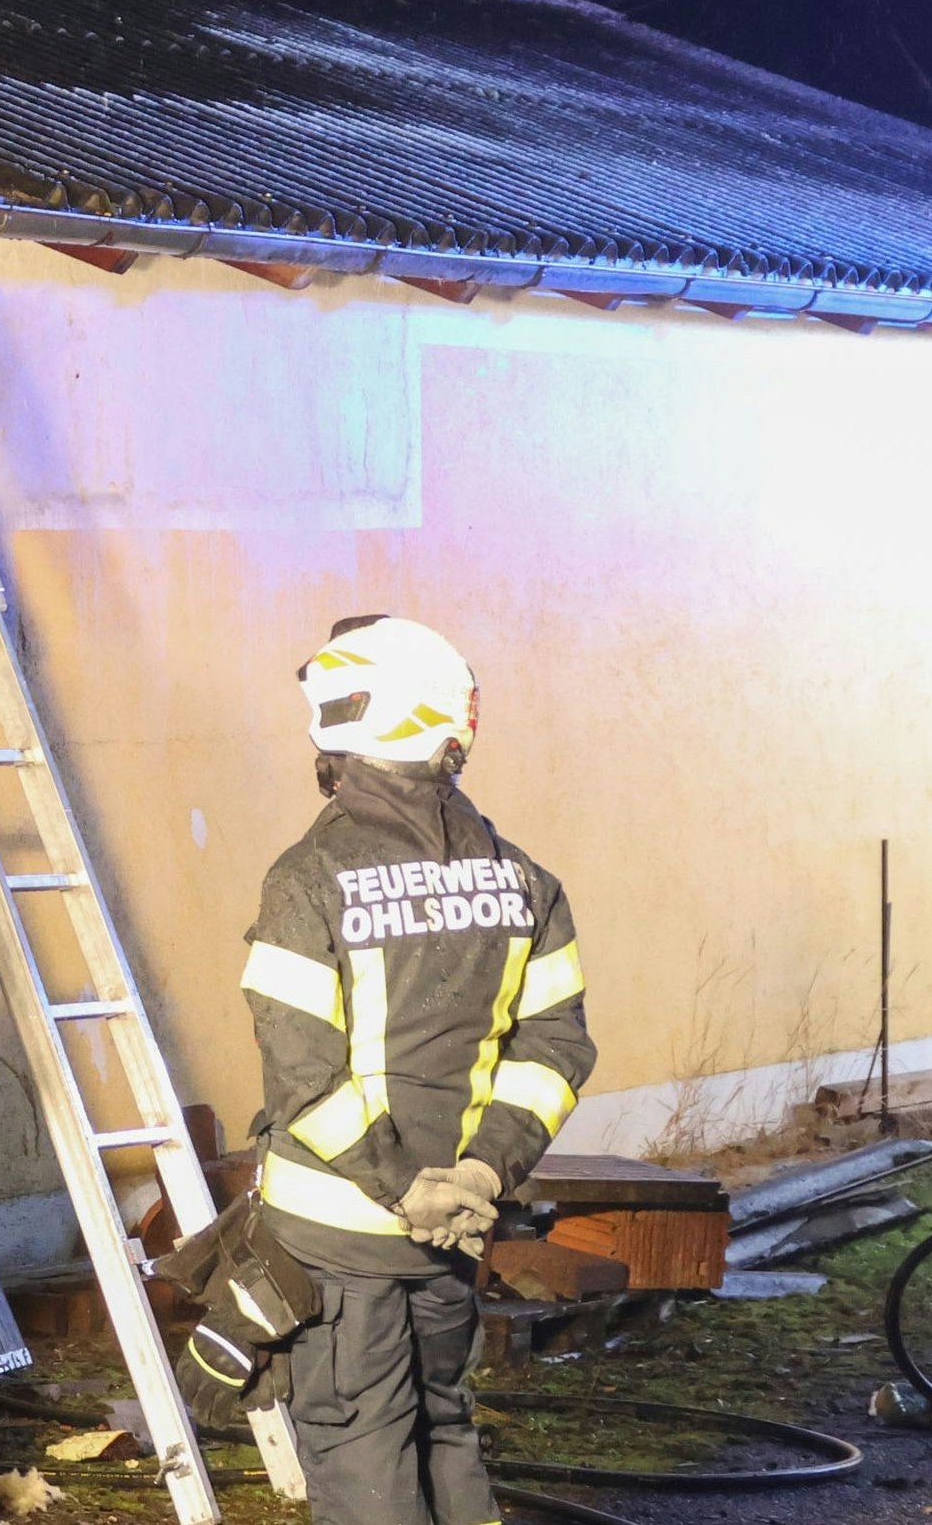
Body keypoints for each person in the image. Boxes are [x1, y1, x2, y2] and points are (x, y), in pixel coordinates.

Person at [240, 616, 593, 1525]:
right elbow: (554, 1052)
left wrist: (405, 1185)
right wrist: (476, 1174)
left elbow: (303, 1077)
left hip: (341, 1230)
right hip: (451, 1233)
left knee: (361, 1446)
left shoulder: (307, 879)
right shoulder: (525, 881)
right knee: (444, 1427)